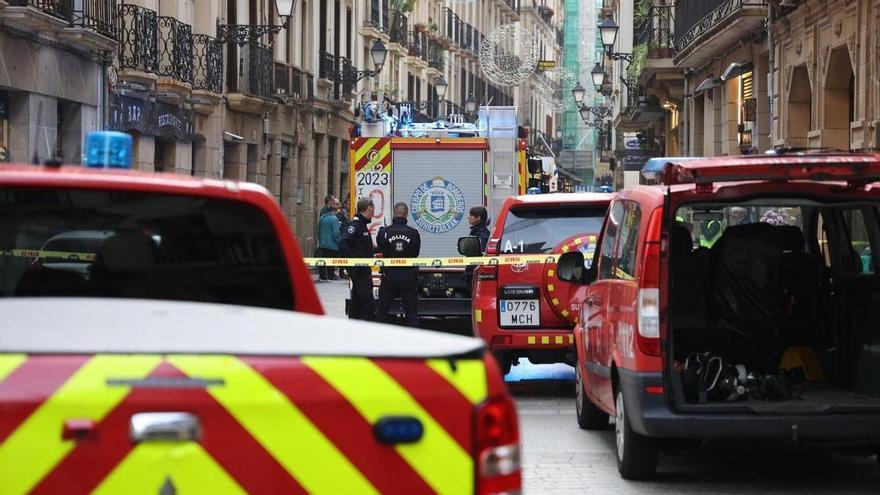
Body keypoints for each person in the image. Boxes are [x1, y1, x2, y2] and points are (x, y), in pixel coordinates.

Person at [376, 202, 421, 327]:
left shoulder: (384, 232)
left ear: (394, 213)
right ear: (406, 214)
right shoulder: (413, 233)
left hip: (389, 276)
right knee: (411, 313)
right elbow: (416, 253)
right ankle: (414, 340)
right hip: (408, 277)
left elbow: (381, 248)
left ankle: (377, 340)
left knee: (382, 312)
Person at [339, 198, 377, 320]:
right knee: (367, 303)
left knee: (356, 301)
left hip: (362, 269)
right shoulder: (355, 226)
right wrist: (353, 262)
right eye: (372, 211)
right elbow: (343, 243)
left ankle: (353, 325)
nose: (373, 214)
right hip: (360, 270)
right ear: (367, 209)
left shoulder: (362, 225)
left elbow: (362, 247)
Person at [317, 199, 342, 281]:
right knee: (331, 261)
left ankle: (322, 276)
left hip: (322, 244)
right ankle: (331, 275)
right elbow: (336, 233)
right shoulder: (334, 219)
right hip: (332, 245)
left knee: (323, 261)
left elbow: (318, 230)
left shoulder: (322, 218)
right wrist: (339, 242)